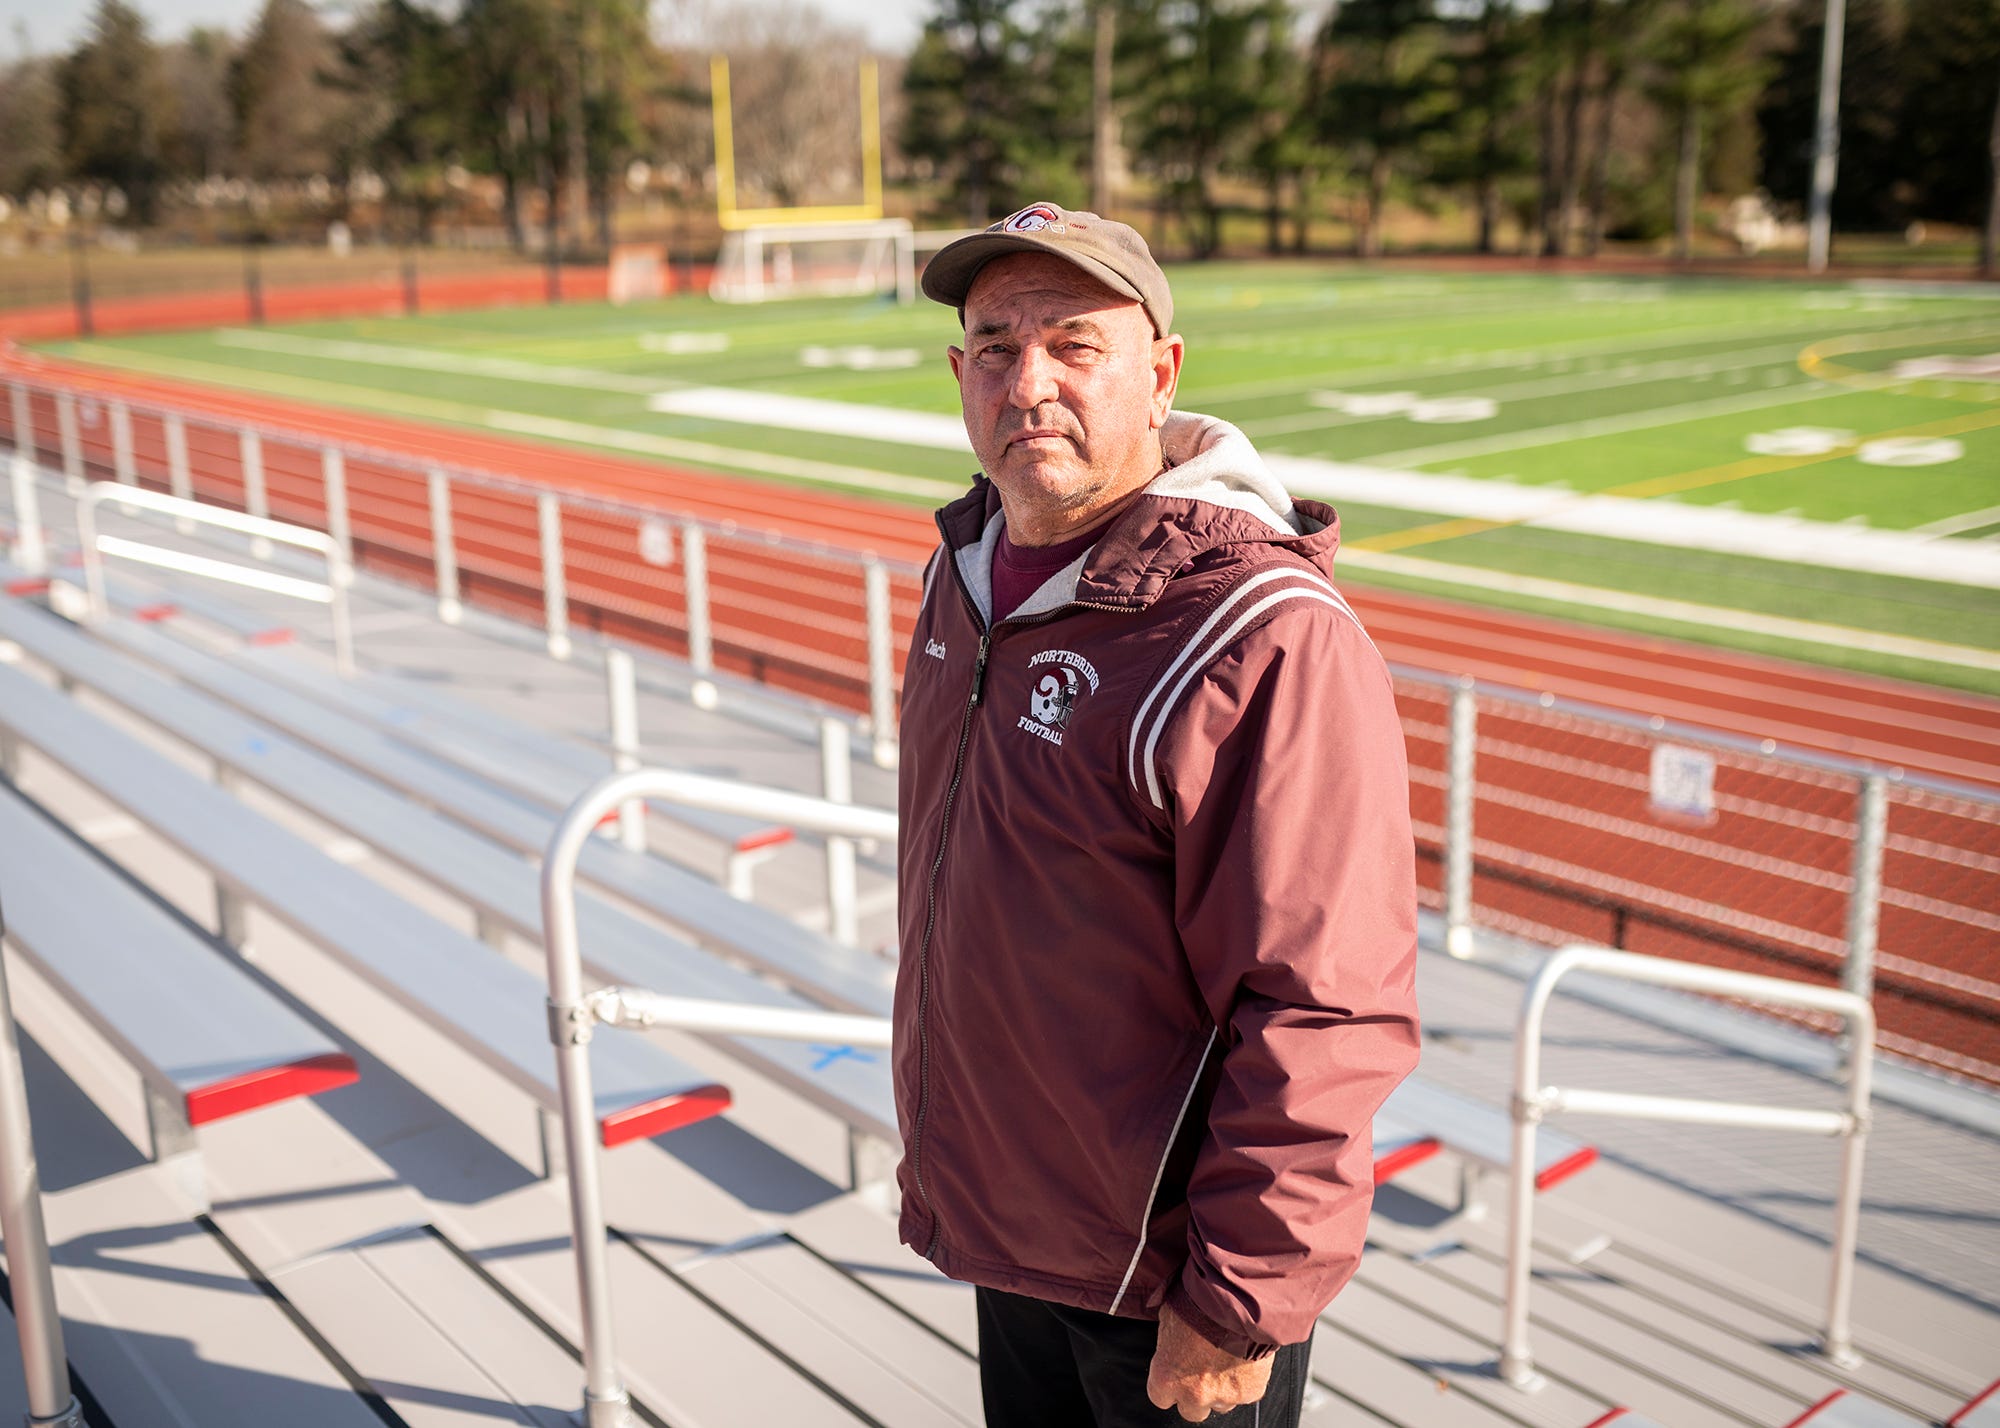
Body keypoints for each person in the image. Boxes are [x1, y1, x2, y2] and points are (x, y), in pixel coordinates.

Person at [893, 201, 1421, 1427]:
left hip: (1171, 1282)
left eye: (1074, 343)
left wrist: (1239, 1298)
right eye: (993, 345)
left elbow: (1323, 1001)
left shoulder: (1259, 635)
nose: (1028, 382)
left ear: (1160, 373)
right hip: (1009, 1222)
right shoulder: (963, 572)